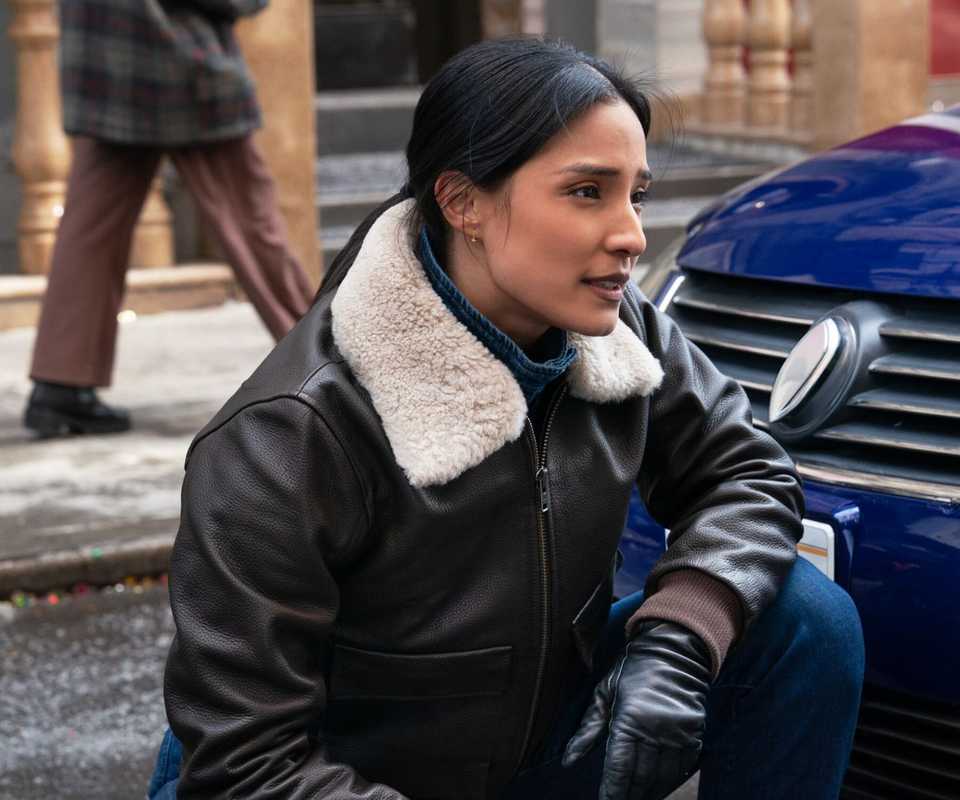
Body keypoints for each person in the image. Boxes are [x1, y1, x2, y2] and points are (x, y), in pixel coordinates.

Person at [150, 38, 864, 800]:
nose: (631, 236)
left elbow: (746, 473)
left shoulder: (621, 332)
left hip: (542, 747)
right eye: (587, 192)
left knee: (805, 620)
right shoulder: (289, 432)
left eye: (637, 195)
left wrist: (680, 641)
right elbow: (246, 766)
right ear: (463, 203)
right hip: (327, 785)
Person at [23, 0, 314, 437]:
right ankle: (328, 360)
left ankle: (60, 383)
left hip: (101, 54)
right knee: (251, 221)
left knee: (92, 227)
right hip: (176, 53)